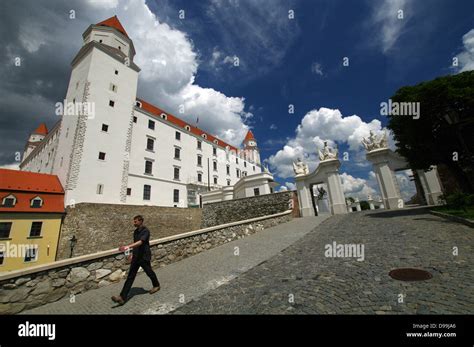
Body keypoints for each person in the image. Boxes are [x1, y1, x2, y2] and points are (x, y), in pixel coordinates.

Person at [111, 215, 160, 305]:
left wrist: (127, 246)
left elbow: (141, 242)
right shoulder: (135, 232)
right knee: (130, 276)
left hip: (144, 257)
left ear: (141, 221)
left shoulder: (146, 231)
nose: (134, 223)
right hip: (136, 257)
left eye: (135, 221)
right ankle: (122, 297)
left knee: (149, 272)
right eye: (134, 221)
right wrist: (131, 254)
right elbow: (135, 245)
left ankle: (156, 285)